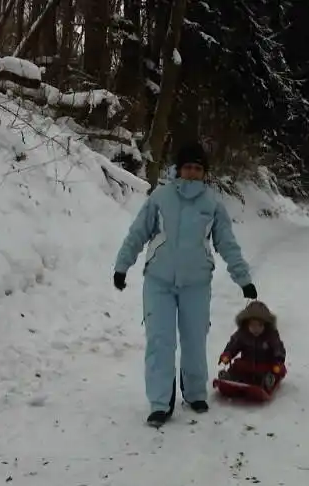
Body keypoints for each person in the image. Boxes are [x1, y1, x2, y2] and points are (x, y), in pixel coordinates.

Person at [113, 141, 258, 427]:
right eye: (187, 167)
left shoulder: (212, 204)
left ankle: (193, 393)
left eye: (198, 168)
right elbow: (137, 233)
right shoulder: (160, 198)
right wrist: (122, 266)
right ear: (178, 169)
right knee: (160, 341)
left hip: (196, 284)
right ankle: (159, 402)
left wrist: (243, 279)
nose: (192, 172)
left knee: (194, 340)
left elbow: (226, 244)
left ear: (204, 172)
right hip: (159, 281)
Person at [218, 301, 286, 392]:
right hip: (247, 364)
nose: (256, 329)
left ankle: (268, 381)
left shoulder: (270, 335)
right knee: (236, 368)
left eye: (259, 325)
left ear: (265, 325)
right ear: (247, 324)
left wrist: (278, 359)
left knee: (276, 370)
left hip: (264, 366)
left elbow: (278, 347)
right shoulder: (242, 334)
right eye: (252, 325)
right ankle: (228, 377)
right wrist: (227, 354)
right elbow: (233, 345)